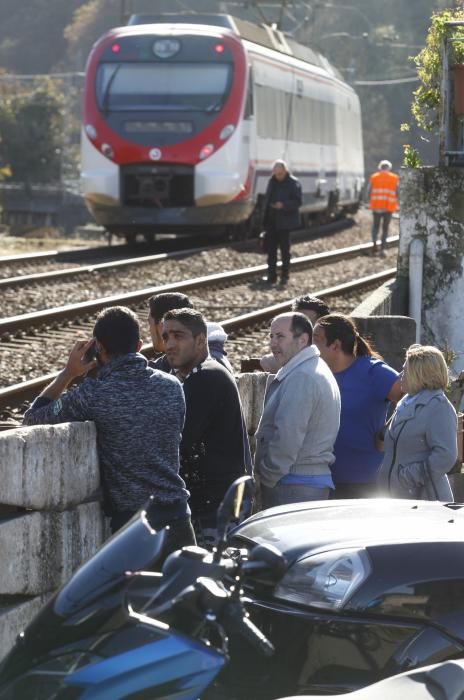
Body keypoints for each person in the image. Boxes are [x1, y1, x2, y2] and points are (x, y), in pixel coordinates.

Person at [23, 306, 196, 552]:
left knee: (134, 592)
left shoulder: (95, 393)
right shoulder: (172, 386)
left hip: (134, 528)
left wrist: (68, 373)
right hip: (178, 516)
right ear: (138, 346)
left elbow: (32, 419)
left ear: (99, 347)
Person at [161, 308, 249, 545]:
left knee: (209, 576)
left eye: (178, 336)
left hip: (215, 506)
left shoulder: (204, 378)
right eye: (165, 337)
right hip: (219, 500)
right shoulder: (201, 374)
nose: (169, 344)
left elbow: (179, 439)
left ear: (200, 341)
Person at [254, 312, 340, 508]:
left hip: (294, 483)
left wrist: (267, 477)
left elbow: (287, 437)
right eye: (271, 336)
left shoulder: (302, 377)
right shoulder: (311, 369)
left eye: (280, 336)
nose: (273, 344)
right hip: (303, 481)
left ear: (302, 340)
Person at [313, 313, 403, 499]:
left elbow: (411, 401)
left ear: (335, 345)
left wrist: (386, 432)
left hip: (367, 483)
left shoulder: (373, 372)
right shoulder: (315, 374)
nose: (311, 348)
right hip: (323, 480)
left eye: (317, 341)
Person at [377, 344, 457, 501]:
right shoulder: (407, 402)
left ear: (421, 374)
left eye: (406, 371)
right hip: (397, 498)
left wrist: (407, 477)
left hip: (424, 502)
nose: (400, 375)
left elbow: (446, 456)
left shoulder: (439, 406)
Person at [147, 292, 232, 372]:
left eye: (149, 323)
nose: (149, 330)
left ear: (163, 325)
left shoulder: (202, 362)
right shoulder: (190, 353)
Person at [260, 294, 331, 372]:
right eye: (297, 323)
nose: (302, 328)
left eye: (308, 324)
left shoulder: (329, 349)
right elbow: (267, 362)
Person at [262, 159, 302, 285]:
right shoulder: (272, 182)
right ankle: (271, 276)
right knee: (271, 250)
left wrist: (283, 205)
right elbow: (267, 199)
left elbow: (298, 202)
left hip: (286, 223)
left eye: (279, 173)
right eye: (275, 173)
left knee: (285, 251)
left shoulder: (293, 183)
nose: (277, 176)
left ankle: (285, 276)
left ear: (285, 171)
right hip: (272, 221)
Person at [367, 159, 399, 256]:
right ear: (389, 168)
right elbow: (398, 192)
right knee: (385, 228)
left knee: (375, 227)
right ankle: (383, 249)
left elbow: (369, 191)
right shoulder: (394, 178)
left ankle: (374, 244)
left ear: (379, 167)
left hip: (376, 206)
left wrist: (370, 201)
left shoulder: (374, 177)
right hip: (388, 207)